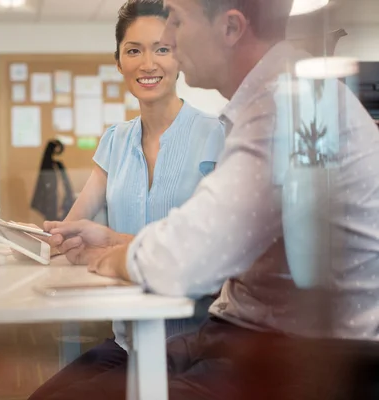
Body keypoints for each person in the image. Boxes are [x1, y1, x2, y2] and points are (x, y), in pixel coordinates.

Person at [31, 0, 379, 398]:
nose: (168, 41)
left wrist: (110, 257)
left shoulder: (289, 108)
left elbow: (185, 257)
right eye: (137, 48)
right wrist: (115, 243)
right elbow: (208, 240)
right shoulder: (270, 102)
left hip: (310, 354)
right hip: (243, 332)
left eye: (176, 22)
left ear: (231, 28)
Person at [41, 0, 225, 347]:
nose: (148, 63)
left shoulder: (216, 135)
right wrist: (40, 240)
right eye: (134, 50)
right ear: (119, 62)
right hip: (127, 341)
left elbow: (221, 260)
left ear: (180, 58)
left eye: (162, 49)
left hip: (198, 346)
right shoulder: (115, 140)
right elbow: (70, 229)